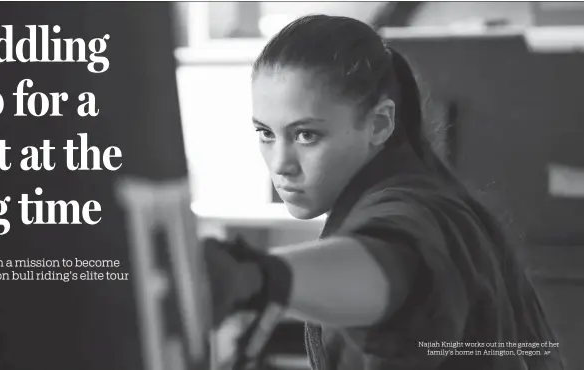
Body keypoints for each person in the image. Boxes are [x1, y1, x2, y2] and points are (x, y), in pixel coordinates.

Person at [204, 14, 564, 370]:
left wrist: (254, 278)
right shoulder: (411, 191)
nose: (280, 163)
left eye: (306, 135)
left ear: (379, 123)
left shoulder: (417, 210)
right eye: (266, 133)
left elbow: (394, 260)